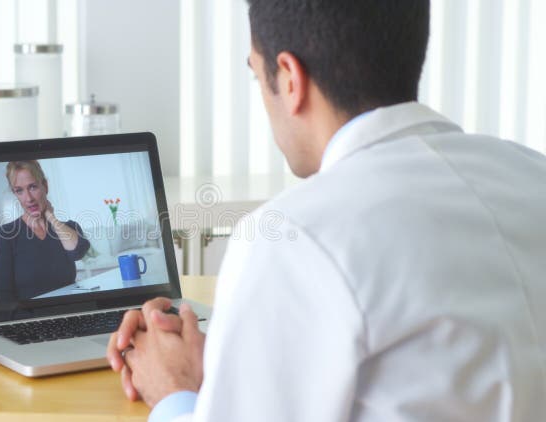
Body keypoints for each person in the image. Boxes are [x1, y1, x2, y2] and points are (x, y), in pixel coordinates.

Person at [107, 1, 546, 421]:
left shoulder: (297, 236)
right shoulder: (532, 173)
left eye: (257, 76)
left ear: (291, 80)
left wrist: (175, 391)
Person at [0, 160, 90, 302]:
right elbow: (3, 297)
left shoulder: (69, 227)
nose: (28, 199)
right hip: (31, 317)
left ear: (45, 186)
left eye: (32, 187)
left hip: (70, 310)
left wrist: (51, 217)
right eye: (19, 190)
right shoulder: (7, 234)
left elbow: (78, 251)